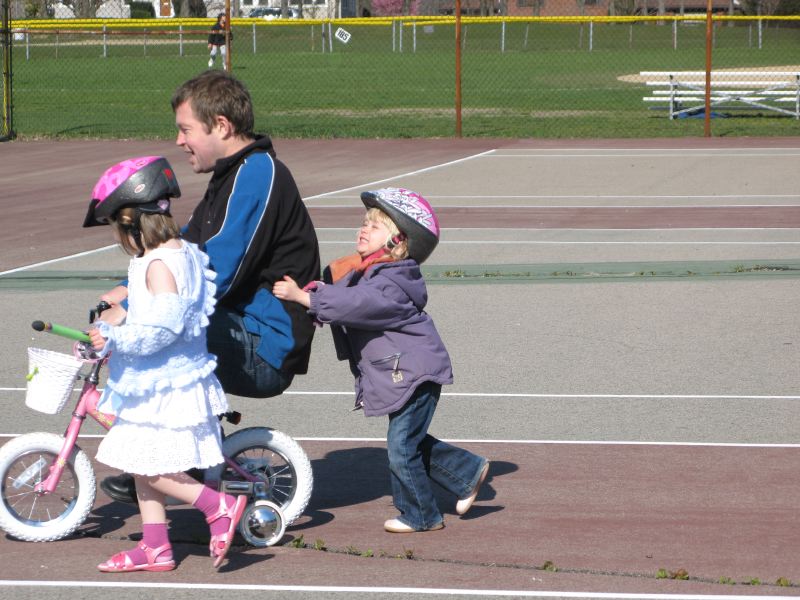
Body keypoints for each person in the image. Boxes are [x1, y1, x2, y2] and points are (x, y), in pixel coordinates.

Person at [98, 70, 321, 505]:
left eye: (186, 129)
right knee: (156, 335)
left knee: (161, 340)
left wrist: (140, 310)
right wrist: (130, 289)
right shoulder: (230, 175)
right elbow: (181, 250)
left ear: (221, 125)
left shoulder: (258, 173)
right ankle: (181, 463)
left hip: (266, 342)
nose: (179, 141)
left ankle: (169, 464)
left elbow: (222, 265)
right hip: (243, 327)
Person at [273, 187, 489, 533]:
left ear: (398, 242)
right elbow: (344, 293)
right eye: (363, 223)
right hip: (401, 371)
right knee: (409, 441)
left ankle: (421, 515)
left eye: (374, 227)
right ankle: (466, 472)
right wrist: (317, 290)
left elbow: (358, 304)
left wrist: (306, 299)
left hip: (415, 373)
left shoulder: (391, 282)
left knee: (401, 448)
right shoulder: (370, 274)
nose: (362, 230)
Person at [84, 156, 247, 571]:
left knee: (145, 464)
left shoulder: (158, 264)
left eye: (117, 230)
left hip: (163, 386)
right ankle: (156, 546)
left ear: (130, 222)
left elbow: (163, 329)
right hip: (166, 381)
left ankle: (218, 506)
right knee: (145, 464)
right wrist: (111, 323)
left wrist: (115, 336)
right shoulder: (183, 253)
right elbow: (149, 312)